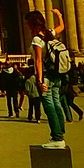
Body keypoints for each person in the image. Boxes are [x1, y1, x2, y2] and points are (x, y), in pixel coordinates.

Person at [27, 8, 68, 149]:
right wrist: (58, 14)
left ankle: (57, 138)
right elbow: (62, 26)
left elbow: (38, 61)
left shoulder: (37, 39)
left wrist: (39, 81)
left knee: (49, 106)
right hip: (57, 74)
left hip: (46, 75)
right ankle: (60, 133)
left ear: (32, 24)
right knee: (57, 104)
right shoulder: (49, 33)